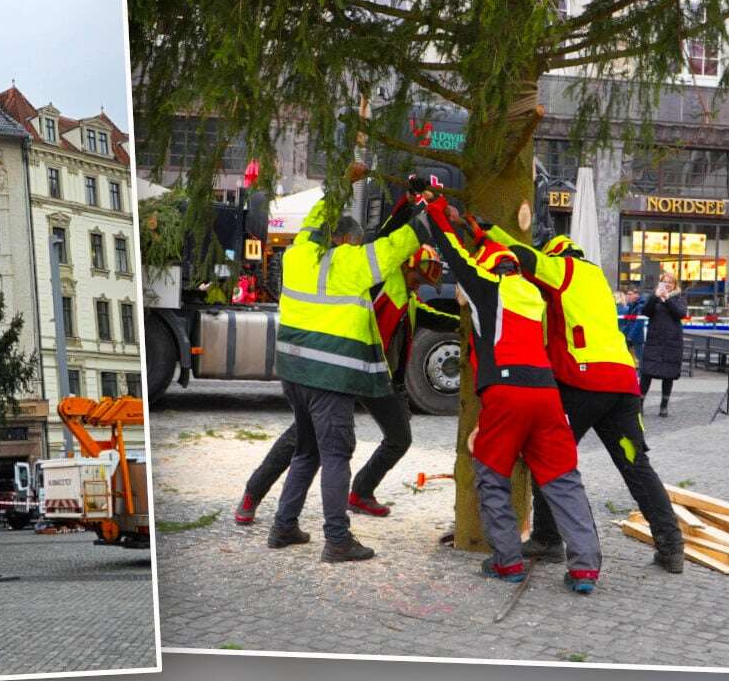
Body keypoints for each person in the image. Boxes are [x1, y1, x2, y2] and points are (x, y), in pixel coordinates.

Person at [235, 190, 457, 524]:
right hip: (343, 371)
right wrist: (420, 212)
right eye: (418, 276)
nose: (419, 284)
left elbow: (430, 317)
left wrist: (466, 326)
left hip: (375, 377)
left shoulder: (408, 298)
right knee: (302, 441)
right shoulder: (374, 279)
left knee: (399, 437)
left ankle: (361, 491)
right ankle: (253, 494)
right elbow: (386, 239)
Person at [482, 226, 685, 573]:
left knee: (549, 457)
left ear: (557, 254)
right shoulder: (599, 282)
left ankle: (547, 539)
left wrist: (486, 231)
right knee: (635, 465)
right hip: (623, 383)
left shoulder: (563, 269)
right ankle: (671, 545)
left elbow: (525, 255)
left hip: (581, 381)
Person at [426, 201, 601, 593]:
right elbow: (489, 251)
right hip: (546, 394)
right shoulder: (531, 294)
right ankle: (585, 568)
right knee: (562, 479)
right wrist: (476, 226)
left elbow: (453, 253)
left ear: (491, 269)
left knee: (491, 473)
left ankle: (507, 562)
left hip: (507, 394)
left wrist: (433, 211)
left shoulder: (489, 288)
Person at [267, 161, 431, 563]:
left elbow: (314, 219)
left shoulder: (298, 254)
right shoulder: (353, 266)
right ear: (345, 241)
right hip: (330, 376)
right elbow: (398, 246)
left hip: (293, 373)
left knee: (307, 451)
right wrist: (429, 212)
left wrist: (341, 184)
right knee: (337, 454)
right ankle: (337, 540)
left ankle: (283, 526)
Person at [639, 272, 688, 418]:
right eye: (664, 281)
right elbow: (645, 311)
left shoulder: (679, 297)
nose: (667, 284)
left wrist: (667, 299)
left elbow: (680, 313)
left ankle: (664, 406)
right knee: (647, 373)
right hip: (655, 340)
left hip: (672, 341)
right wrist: (655, 297)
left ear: (674, 285)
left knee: (669, 374)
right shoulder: (654, 297)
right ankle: (640, 404)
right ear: (660, 283)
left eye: (670, 282)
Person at [618, 286, 646, 366]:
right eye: (627, 294)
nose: (628, 296)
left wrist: (630, 336)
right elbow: (628, 322)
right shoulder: (632, 305)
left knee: (639, 359)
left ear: (636, 295)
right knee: (630, 358)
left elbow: (638, 323)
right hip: (629, 335)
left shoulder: (640, 306)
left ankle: (640, 375)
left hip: (636, 337)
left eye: (630, 294)